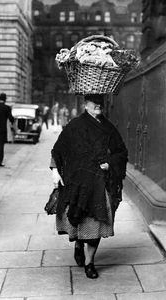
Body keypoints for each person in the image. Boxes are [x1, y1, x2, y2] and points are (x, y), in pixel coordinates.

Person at [50, 94, 128, 279]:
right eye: (94, 102)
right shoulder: (74, 126)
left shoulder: (108, 128)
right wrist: (54, 170)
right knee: (79, 219)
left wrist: (109, 163)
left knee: (98, 223)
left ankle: (89, 263)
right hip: (77, 182)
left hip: (100, 183)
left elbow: (121, 152)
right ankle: (78, 244)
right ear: (86, 104)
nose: (98, 105)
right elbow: (58, 149)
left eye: (101, 102)